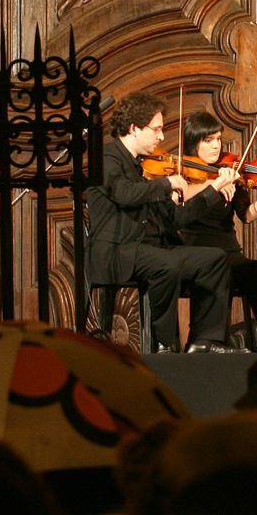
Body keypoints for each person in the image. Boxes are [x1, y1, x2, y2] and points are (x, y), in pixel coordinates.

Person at [85, 92, 241, 353]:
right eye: (156, 130)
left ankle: (205, 342)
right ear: (134, 128)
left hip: (148, 249)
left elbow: (175, 217)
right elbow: (123, 194)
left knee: (214, 258)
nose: (161, 137)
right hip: (116, 251)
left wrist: (212, 191)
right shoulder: (107, 157)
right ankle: (163, 343)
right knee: (165, 264)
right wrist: (166, 183)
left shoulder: (141, 167)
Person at [175, 111, 257, 351]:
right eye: (208, 140)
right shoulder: (182, 174)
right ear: (194, 142)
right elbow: (178, 205)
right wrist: (213, 185)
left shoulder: (230, 171)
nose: (216, 145)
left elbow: (247, 215)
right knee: (221, 271)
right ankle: (205, 344)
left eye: (218, 139)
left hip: (232, 258)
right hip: (199, 259)